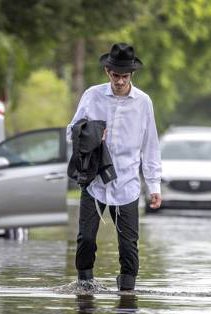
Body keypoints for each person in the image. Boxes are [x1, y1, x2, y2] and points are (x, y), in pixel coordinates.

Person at [67, 42, 162, 291]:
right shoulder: (92, 96)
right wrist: (90, 134)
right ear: (108, 72)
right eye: (115, 75)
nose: (120, 81)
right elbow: (71, 132)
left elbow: (150, 144)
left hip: (127, 183)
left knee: (129, 246)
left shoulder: (143, 102)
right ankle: (84, 288)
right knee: (86, 239)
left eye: (125, 76)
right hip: (95, 180)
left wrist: (154, 185)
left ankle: (127, 295)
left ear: (132, 75)